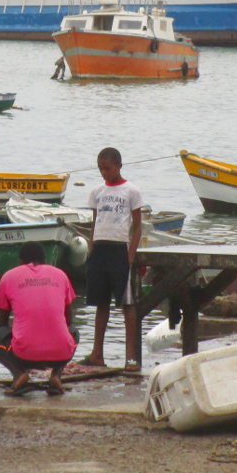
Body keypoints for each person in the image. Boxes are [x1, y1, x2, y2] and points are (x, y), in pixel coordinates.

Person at [0, 241, 79, 396]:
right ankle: (56, 376)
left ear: (20, 261)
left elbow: (0, 323)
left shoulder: (9, 276)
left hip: (24, 355)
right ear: (44, 260)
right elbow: (69, 320)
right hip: (61, 354)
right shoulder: (60, 274)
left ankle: (19, 374)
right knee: (74, 332)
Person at [81, 146, 143, 370]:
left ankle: (131, 358)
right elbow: (95, 222)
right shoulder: (97, 191)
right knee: (101, 302)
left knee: (127, 304)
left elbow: (137, 228)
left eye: (107, 168)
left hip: (120, 250)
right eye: (100, 169)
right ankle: (97, 353)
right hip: (100, 249)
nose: (104, 173)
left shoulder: (131, 191)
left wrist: (131, 255)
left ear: (118, 166)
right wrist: (91, 247)